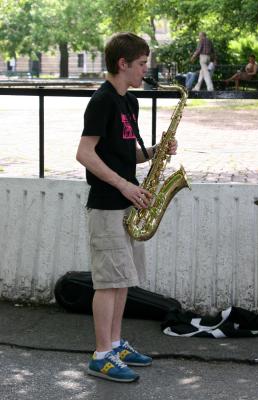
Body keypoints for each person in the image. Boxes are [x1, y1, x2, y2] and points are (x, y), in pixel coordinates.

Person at [76, 32, 178, 383]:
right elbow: (85, 153)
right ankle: (101, 354)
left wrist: (154, 151)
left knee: (121, 282)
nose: (145, 69)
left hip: (127, 205)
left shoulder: (128, 103)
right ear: (123, 64)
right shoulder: (102, 100)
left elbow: (121, 155)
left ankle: (116, 344)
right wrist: (123, 185)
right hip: (107, 205)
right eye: (141, 63)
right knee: (107, 283)